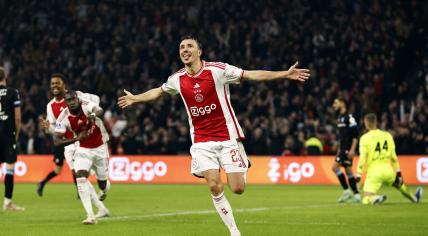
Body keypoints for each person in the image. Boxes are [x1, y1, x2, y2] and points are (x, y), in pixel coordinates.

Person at [118, 36, 310, 236]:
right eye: (182, 47)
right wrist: (135, 98)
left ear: (199, 51)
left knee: (237, 188)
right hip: (201, 141)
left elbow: (251, 75)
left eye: (189, 46)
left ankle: (241, 162)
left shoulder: (218, 70)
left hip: (227, 138)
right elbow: (158, 92)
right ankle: (234, 231)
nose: (185, 50)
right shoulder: (177, 79)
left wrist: (284, 74)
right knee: (213, 184)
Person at [38, 73, 108, 200]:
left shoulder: (77, 95)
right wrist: (47, 128)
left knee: (91, 174)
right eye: (52, 83)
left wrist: (92, 113)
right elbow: (56, 131)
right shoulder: (50, 106)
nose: (54, 86)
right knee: (80, 175)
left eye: (57, 83)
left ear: (64, 84)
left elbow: (96, 99)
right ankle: (94, 207)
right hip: (70, 144)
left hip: (87, 140)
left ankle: (99, 193)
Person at [55, 90, 110, 224]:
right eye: (69, 100)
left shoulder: (86, 104)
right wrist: (76, 139)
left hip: (100, 146)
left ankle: (104, 189)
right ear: (66, 102)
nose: (72, 102)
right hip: (83, 148)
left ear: (77, 99)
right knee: (80, 176)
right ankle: (90, 215)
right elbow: (57, 141)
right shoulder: (63, 117)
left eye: (74, 99)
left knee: (102, 183)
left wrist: (92, 115)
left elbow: (99, 110)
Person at [356, 113, 423, 205]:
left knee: (366, 198)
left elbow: (362, 158)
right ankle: (414, 198)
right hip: (388, 170)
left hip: (374, 172)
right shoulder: (387, 135)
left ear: (366, 123)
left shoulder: (364, 138)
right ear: (376, 122)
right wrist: (399, 174)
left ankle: (376, 198)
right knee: (400, 185)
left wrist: (358, 176)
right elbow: (394, 157)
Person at [0, 67, 24, 211]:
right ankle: (7, 203)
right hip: (8, 135)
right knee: (9, 167)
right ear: (5, 77)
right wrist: (16, 135)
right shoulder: (13, 92)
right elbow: (17, 117)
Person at [332, 97, 360, 203]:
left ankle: (346, 191)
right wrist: (339, 148)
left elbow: (355, 135)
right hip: (343, 148)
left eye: (336, 102)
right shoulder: (340, 117)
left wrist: (352, 149)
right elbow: (343, 136)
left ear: (343, 103)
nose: (334, 105)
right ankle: (356, 195)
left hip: (348, 149)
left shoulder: (350, 117)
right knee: (348, 171)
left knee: (334, 168)